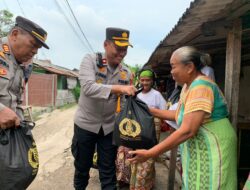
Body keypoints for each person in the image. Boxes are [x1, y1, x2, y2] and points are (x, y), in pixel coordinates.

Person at [129, 46, 237, 189]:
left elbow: (188, 130)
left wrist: (151, 153)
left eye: (173, 66)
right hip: (201, 147)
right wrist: (145, 109)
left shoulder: (201, 87)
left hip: (213, 145)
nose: (171, 72)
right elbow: (178, 115)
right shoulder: (188, 87)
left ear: (189, 67)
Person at [72, 27, 137, 190]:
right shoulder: (90, 61)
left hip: (108, 128)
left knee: (108, 172)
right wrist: (119, 89)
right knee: (82, 168)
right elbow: (88, 88)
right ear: (106, 44)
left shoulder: (126, 73)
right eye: (119, 48)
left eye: (125, 49)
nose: (122, 53)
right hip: (85, 125)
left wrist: (123, 126)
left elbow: (123, 103)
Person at [0, 16, 49, 187]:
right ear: (14, 34)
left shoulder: (23, 65)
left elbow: (16, 100)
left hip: (6, 139)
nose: (36, 52)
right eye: (33, 44)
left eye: (38, 48)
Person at [116, 69, 166, 190]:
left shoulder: (157, 95)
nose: (145, 83)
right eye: (142, 80)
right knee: (131, 155)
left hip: (150, 131)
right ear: (139, 80)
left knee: (147, 159)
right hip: (135, 131)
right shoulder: (136, 93)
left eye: (148, 80)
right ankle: (128, 181)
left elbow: (164, 112)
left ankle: (143, 185)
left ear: (152, 81)